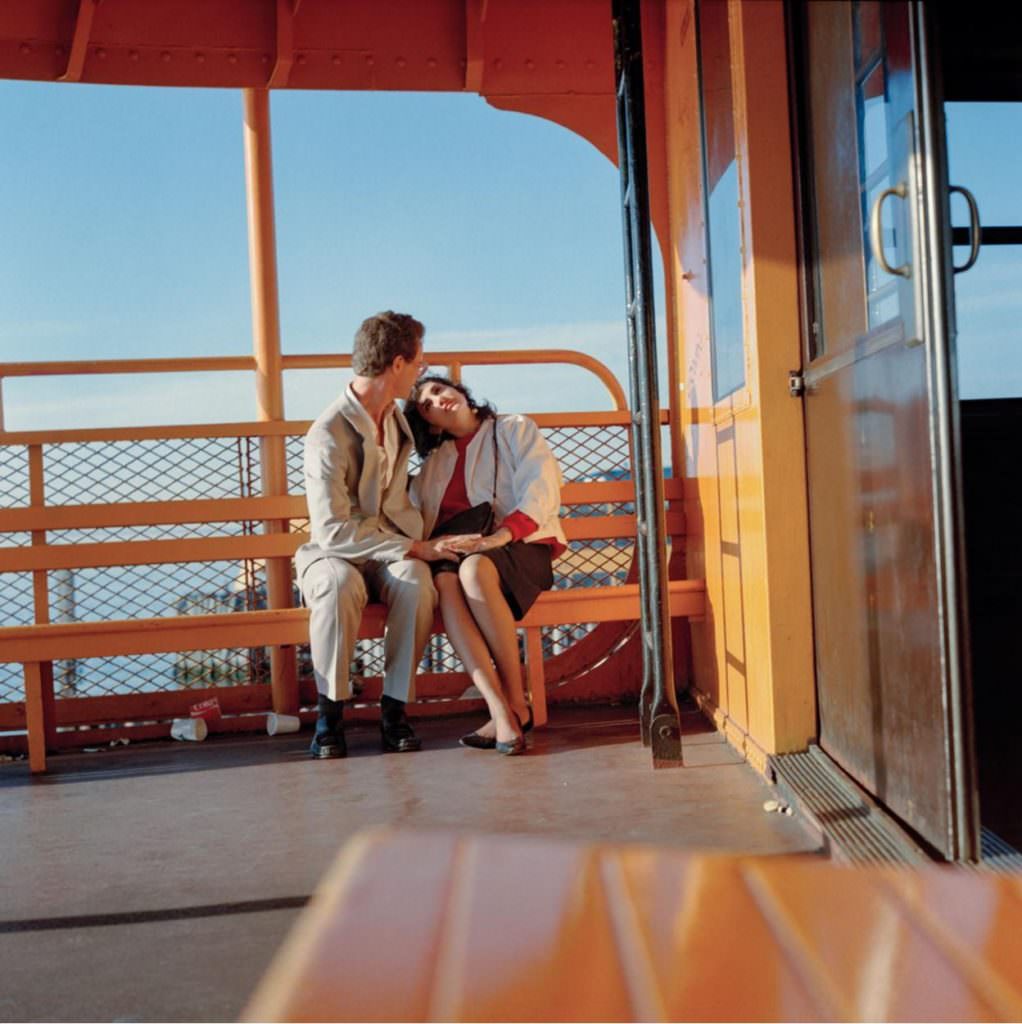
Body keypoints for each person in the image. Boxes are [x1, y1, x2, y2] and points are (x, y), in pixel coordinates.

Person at [295, 312, 451, 759]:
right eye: (419, 363)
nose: (423, 371)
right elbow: (332, 530)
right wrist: (415, 546)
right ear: (397, 364)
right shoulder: (326, 434)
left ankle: (394, 711)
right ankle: (330, 715)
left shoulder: (397, 419)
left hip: (387, 545)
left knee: (417, 582)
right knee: (337, 585)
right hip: (336, 551)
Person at [405, 375, 566, 755]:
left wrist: (501, 536)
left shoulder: (512, 429)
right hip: (462, 559)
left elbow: (542, 486)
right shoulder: (433, 466)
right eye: (427, 404)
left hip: (522, 546)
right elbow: (413, 514)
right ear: (430, 425)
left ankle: (515, 702)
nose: (439, 399)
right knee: (447, 580)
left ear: (459, 392)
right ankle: (501, 710)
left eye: (440, 389)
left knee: (473, 570)